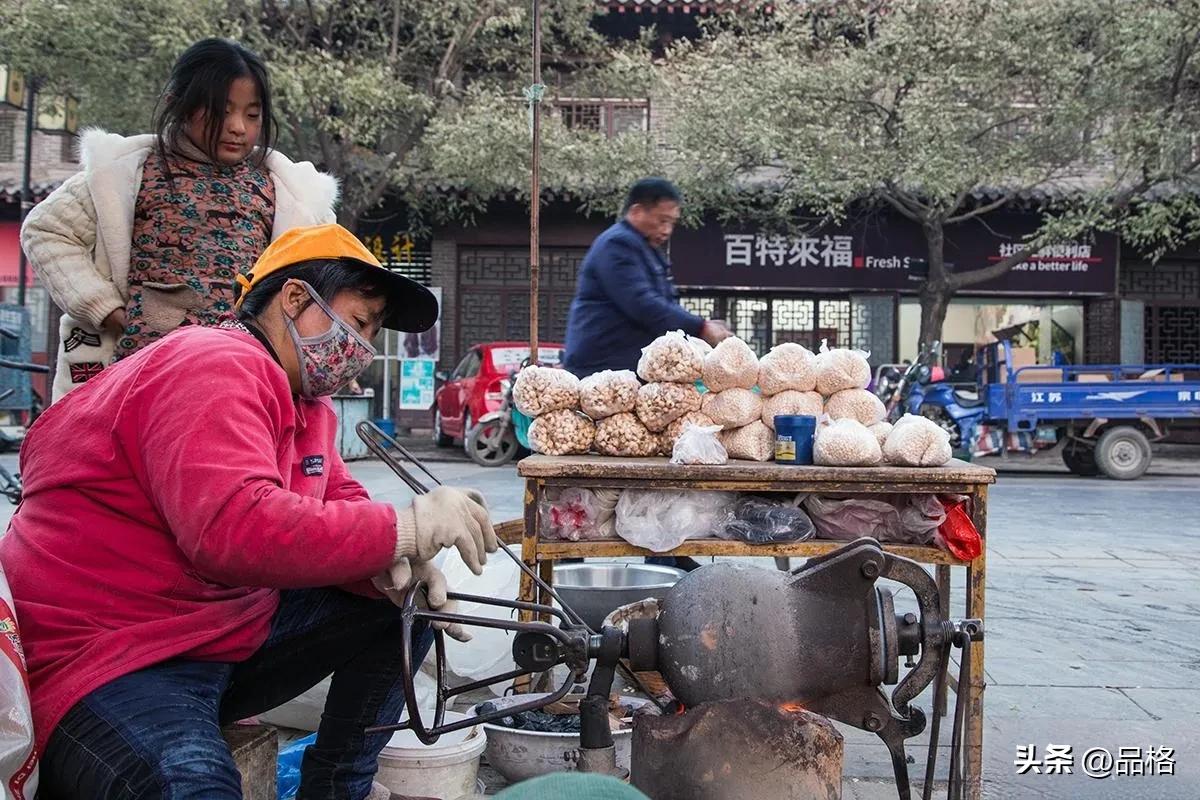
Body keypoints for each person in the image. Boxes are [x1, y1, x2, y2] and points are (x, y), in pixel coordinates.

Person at [0, 224, 499, 800]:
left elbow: (338, 507)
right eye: (358, 322)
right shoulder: (212, 361)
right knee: (190, 786)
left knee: (403, 607)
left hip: (216, 635)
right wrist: (406, 527)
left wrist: (392, 566)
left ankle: (338, 790)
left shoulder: (309, 408)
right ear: (293, 299)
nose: (361, 346)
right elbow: (231, 530)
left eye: (371, 332)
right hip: (112, 652)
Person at [22, 38, 338, 402]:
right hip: (140, 373)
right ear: (180, 104)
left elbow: (326, 271)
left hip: (244, 377)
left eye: (251, 115)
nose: (238, 127)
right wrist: (103, 307)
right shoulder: (127, 173)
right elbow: (46, 231)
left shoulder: (288, 191)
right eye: (222, 111)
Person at [563, 177, 730, 377]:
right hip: (602, 368)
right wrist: (700, 327)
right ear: (636, 212)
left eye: (672, 223)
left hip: (629, 367)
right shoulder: (617, 244)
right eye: (662, 220)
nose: (667, 230)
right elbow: (642, 303)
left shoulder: (647, 250)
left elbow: (664, 302)